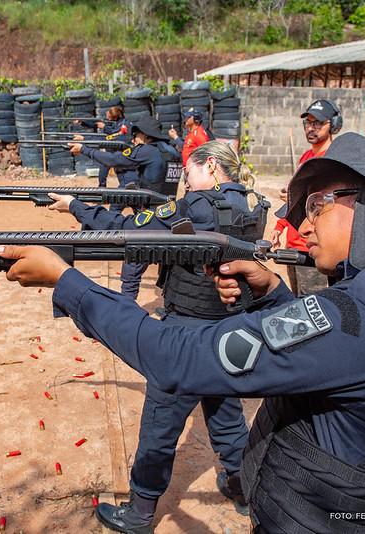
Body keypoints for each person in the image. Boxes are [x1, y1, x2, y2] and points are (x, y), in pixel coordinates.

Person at [0, 133, 365, 533]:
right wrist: (274, 293)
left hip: (306, 521)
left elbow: (175, 359)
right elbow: (344, 355)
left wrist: (67, 282)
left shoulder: (359, 319)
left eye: (316, 204)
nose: (303, 224)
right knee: (224, 417)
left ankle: (142, 509)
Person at [46, 141, 269, 532]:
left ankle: (139, 514)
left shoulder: (194, 207)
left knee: (160, 427)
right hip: (231, 328)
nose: (185, 180)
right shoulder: (254, 206)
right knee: (225, 413)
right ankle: (241, 487)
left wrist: (74, 206)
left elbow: (124, 230)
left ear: (211, 166)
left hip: (186, 332)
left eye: (190, 172)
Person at [70, 116, 171, 298]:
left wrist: (85, 150)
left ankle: (126, 310)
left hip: (151, 218)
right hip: (170, 214)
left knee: (133, 265)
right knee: (168, 263)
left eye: (137, 135)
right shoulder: (172, 151)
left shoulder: (148, 151)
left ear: (145, 135)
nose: (134, 139)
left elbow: (114, 160)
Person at [270, 99, 341, 296]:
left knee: (313, 306)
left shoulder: (332, 161)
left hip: (313, 247)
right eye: (308, 123)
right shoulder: (306, 158)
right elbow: (297, 200)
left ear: (333, 125)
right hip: (294, 244)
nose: (311, 128)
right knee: (296, 300)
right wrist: (279, 227)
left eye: (318, 123)